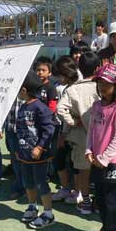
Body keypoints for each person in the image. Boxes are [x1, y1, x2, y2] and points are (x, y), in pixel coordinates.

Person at [86, 63, 116, 231]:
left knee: (112, 201)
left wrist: (103, 158)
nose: (103, 87)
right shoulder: (96, 105)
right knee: (100, 199)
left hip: (111, 162)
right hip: (96, 160)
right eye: (100, 83)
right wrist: (89, 150)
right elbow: (91, 131)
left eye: (107, 84)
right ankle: (106, 229)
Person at [57, 52, 101, 214]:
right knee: (101, 168)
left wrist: (73, 121)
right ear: (98, 68)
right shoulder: (101, 85)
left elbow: (60, 109)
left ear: (79, 68)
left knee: (83, 170)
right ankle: (99, 200)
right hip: (101, 134)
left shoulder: (73, 89)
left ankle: (86, 201)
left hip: (81, 134)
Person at [16, 71, 56, 229]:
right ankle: (32, 206)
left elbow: (49, 129)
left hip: (39, 155)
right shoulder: (22, 107)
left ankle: (48, 213)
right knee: (28, 182)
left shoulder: (40, 108)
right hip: (24, 154)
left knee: (41, 184)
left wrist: (40, 147)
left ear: (24, 90)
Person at [50, 56, 79, 203]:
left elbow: (63, 111)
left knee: (77, 163)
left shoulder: (79, 84)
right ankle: (66, 188)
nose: (59, 79)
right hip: (65, 129)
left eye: (60, 76)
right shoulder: (65, 87)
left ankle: (79, 192)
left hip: (78, 131)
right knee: (60, 159)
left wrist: (72, 123)